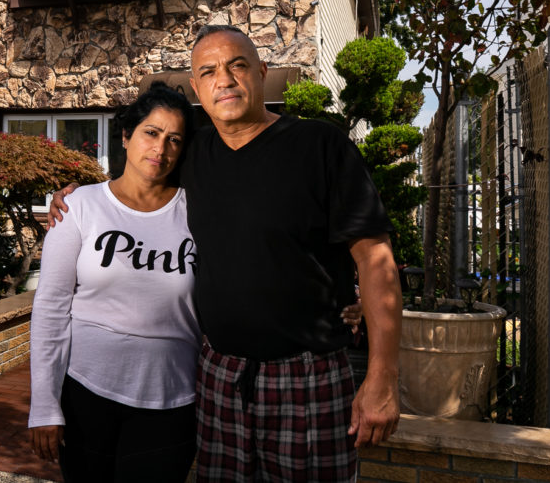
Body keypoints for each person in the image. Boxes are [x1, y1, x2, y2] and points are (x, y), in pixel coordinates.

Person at [51, 24, 401, 482]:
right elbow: (132, 186)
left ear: (260, 71)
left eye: (237, 65)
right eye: (209, 71)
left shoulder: (320, 145)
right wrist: (76, 195)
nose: (226, 79)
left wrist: (382, 377)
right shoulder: (191, 152)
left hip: (306, 375)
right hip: (219, 375)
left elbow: (375, 258)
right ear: (196, 87)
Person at [29, 82, 200, 482]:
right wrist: (45, 405)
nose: (161, 148)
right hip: (87, 395)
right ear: (125, 136)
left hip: (173, 401)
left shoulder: (199, 214)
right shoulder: (79, 206)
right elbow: (51, 309)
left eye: (174, 139)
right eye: (151, 133)